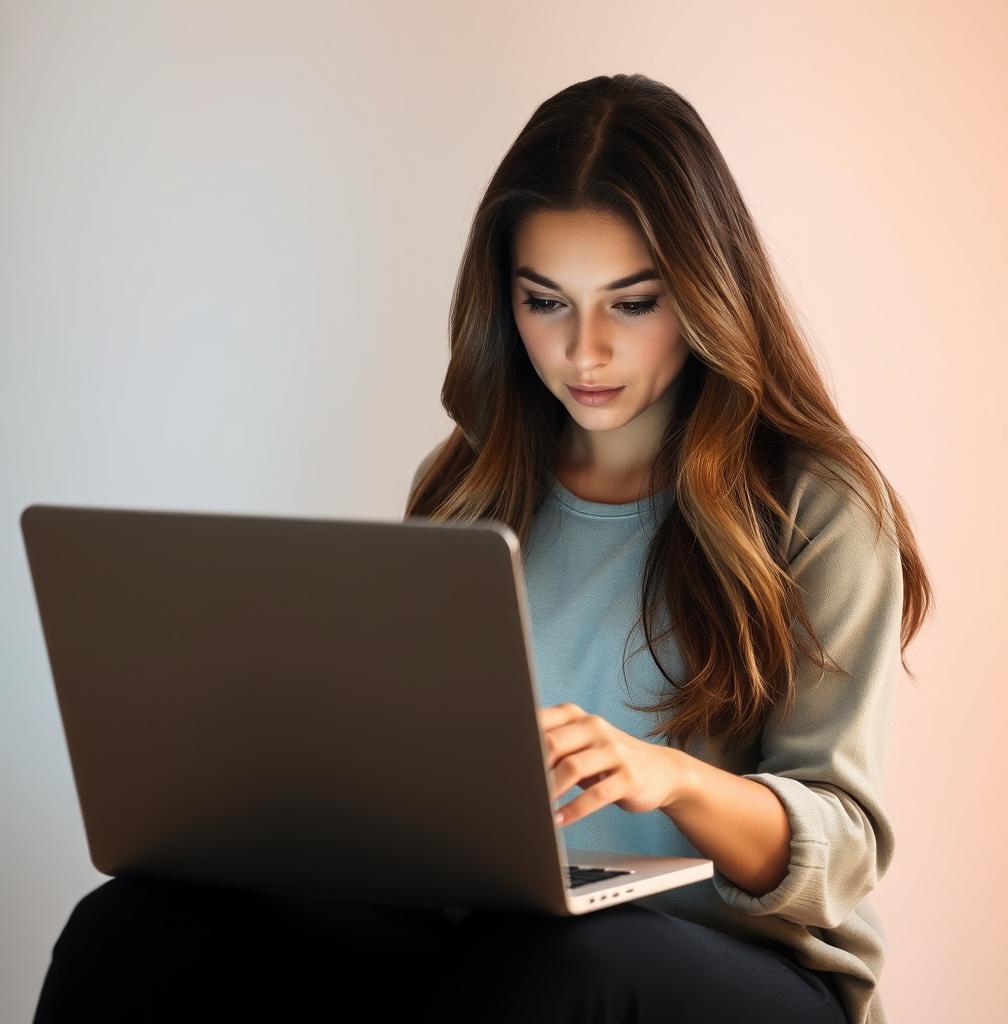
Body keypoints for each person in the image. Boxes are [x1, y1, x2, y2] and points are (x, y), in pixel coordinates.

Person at [33, 73, 932, 1024]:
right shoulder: (469, 485)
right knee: (137, 925)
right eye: (546, 302)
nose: (584, 353)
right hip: (499, 934)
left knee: (552, 963)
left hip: (749, 972)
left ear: (706, 291)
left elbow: (846, 843)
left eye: (631, 304)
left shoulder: (816, 506)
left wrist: (670, 775)